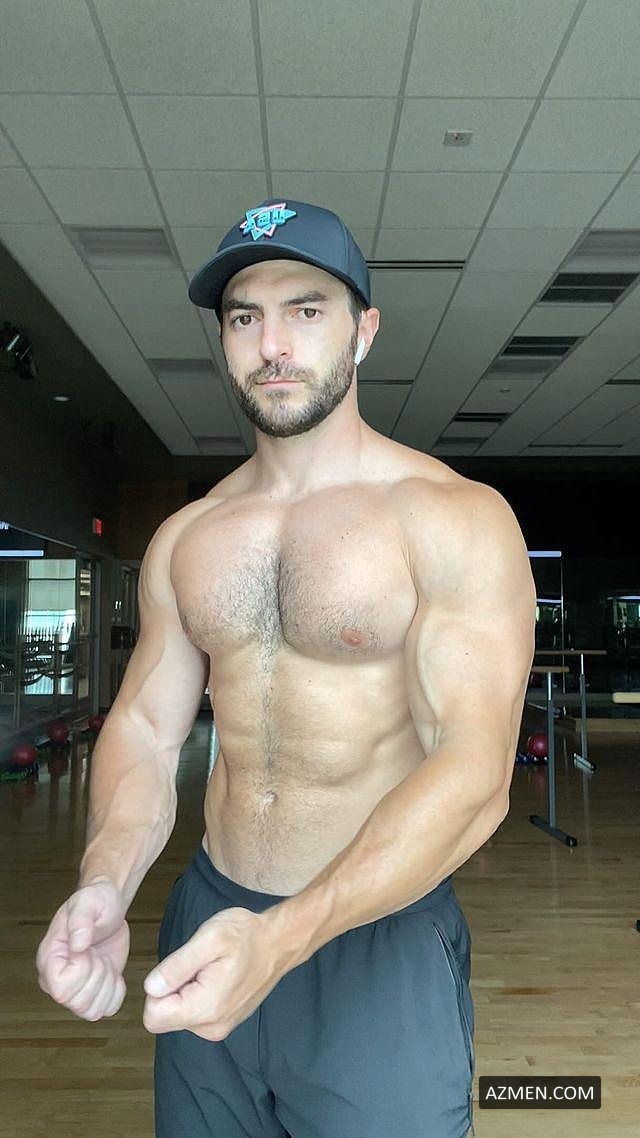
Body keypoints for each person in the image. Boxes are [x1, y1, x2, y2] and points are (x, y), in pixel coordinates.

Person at [36, 199, 536, 1138]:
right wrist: (106, 880)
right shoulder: (188, 536)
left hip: (373, 932)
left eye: (306, 310)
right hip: (211, 913)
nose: (272, 344)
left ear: (364, 330)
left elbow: (477, 772)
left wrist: (286, 936)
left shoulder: (451, 518)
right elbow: (144, 730)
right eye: (244, 317)